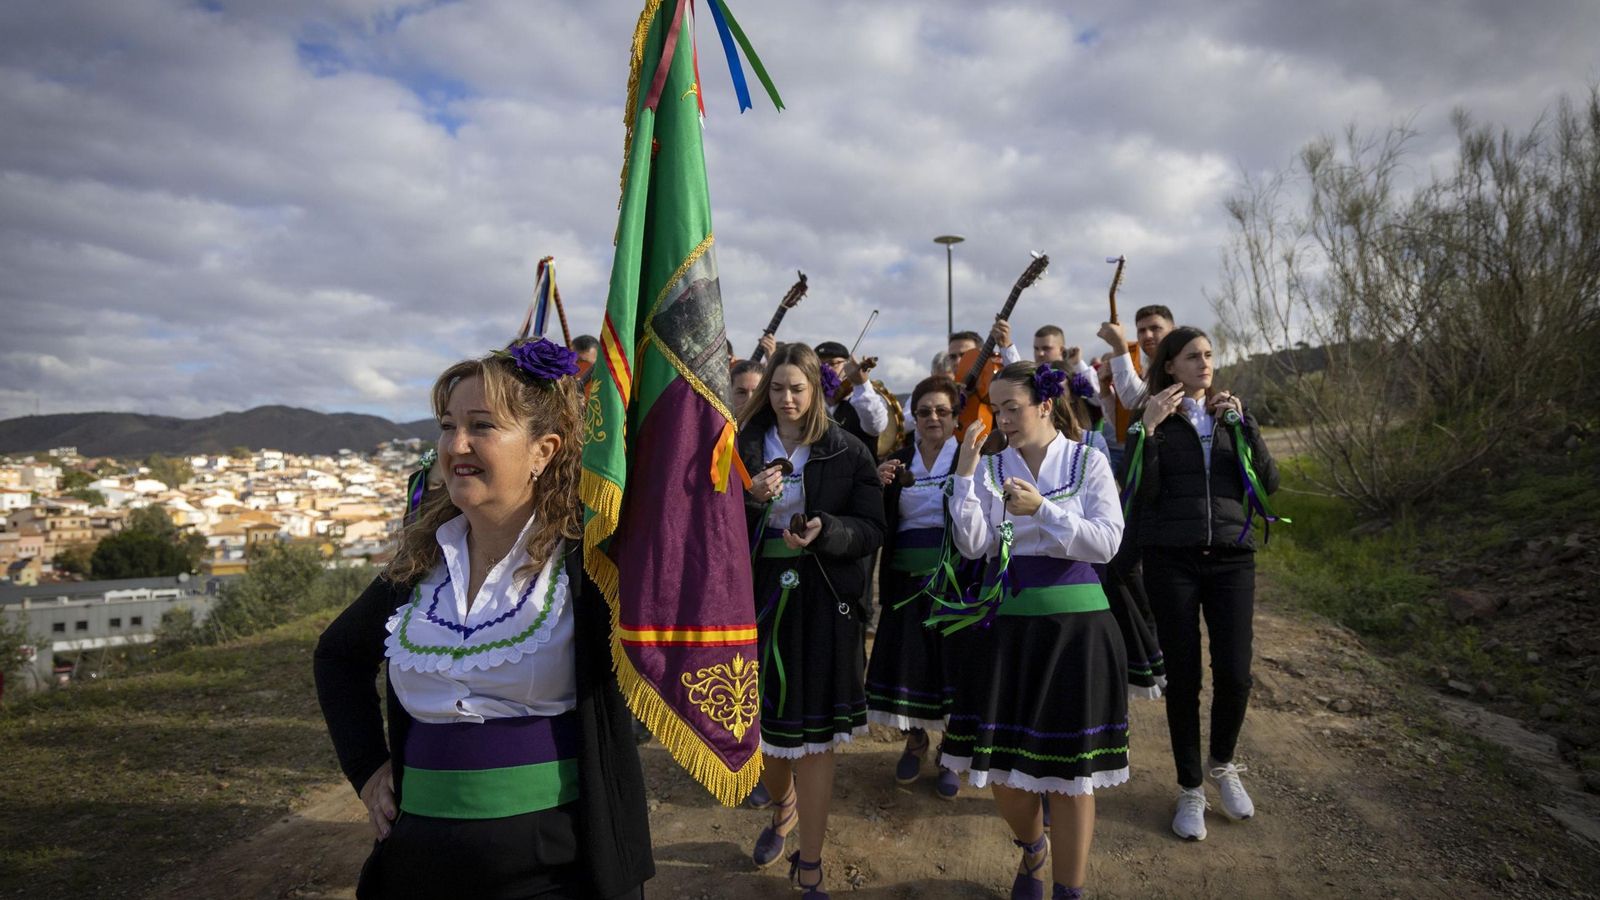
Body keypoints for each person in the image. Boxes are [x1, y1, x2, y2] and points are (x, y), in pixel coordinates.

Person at [313, 339, 652, 899]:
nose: (456, 445)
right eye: (448, 426)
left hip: (555, 866)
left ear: (543, 450)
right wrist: (368, 770)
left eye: (482, 426)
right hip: (418, 864)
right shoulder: (421, 566)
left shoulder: (588, 565)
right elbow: (338, 656)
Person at [941, 361, 1129, 900]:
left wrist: (1044, 509)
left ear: (1045, 404)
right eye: (995, 409)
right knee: (1002, 772)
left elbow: (1107, 543)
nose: (1001, 419)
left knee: (1071, 776)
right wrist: (964, 474)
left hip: (1077, 630)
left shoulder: (1088, 460)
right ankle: (1032, 847)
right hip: (1007, 629)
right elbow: (975, 544)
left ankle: (1069, 889)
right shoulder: (991, 467)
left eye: (1012, 408)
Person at [737, 343, 886, 898]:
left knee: (817, 741)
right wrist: (750, 499)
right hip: (754, 603)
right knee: (764, 734)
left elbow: (871, 528)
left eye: (797, 388)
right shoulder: (738, 448)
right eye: (777, 388)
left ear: (817, 390)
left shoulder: (847, 449)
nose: (787, 398)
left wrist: (828, 529)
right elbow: (704, 524)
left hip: (825, 604)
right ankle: (783, 806)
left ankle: (812, 863)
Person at [1122, 326, 1280, 843]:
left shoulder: (1231, 415)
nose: (1204, 363)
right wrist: (1147, 430)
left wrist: (1245, 425)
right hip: (1172, 559)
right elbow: (1142, 493)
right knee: (1184, 678)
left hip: (1233, 557)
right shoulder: (1152, 420)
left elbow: (1268, 483)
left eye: (1209, 355)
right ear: (1170, 365)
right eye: (1193, 356)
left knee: (1235, 673)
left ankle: (1223, 764)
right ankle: (1190, 787)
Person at [865, 375, 966, 800]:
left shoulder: (970, 458)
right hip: (905, 578)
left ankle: (952, 751)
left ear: (956, 417)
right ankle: (916, 740)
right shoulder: (900, 459)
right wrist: (878, 482)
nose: (932, 418)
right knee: (909, 664)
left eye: (942, 411)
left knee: (953, 666)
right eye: (924, 411)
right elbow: (880, 517)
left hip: (955, 582)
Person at [813, 340, 891, 453]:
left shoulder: (866, 397)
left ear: (847, 365)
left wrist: (861, 384)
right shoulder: (812, 401)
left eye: (833, 363)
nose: (826, 369)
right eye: (820, 365)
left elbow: (876, 427)